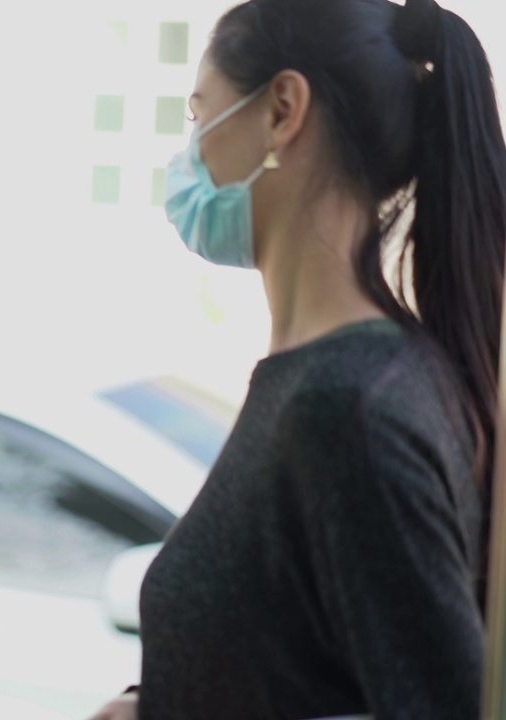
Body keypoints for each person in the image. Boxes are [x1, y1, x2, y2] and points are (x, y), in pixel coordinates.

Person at [89, 0, 502, 718]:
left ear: (282, 109)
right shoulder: (330, 378)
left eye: (200, 115)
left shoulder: (346, 405)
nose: (191, 154)